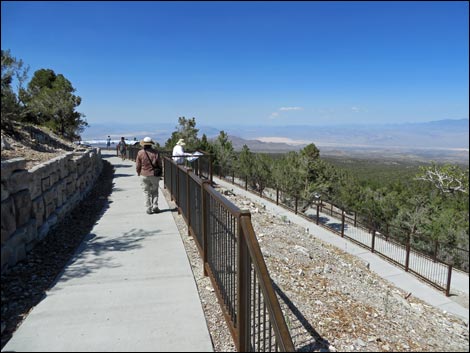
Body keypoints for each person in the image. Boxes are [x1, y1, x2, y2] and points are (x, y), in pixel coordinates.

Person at [136, 137, 163, 214]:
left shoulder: (140, 153)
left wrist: (138, 172)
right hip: (154, 174)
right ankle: (155, 206)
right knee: (155, 191)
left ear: (144, 144)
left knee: (146, 192)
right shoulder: (156, 152)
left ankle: (148, 207)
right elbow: (160, 164)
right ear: (151, 144)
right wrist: (161, 173)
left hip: (144, 174)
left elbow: (138, 165)